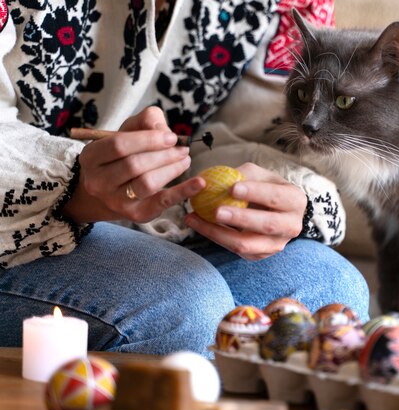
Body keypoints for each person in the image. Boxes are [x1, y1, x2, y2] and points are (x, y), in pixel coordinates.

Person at [0, 0, 369, 356]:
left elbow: (257, 134)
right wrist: (72, 188)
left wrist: (283, 198)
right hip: (14, 237)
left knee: (330, 287)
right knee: (184, 311)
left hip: (156, 230)